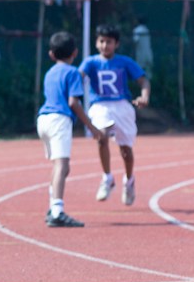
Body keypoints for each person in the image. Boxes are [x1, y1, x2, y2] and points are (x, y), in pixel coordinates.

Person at [82, 25, 150, 206]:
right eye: (102, 41)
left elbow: (143, 81)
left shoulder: (125, 62)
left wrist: (144, 96)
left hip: (122, 106)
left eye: (109, 42)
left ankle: (129, 181)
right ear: (96, 43)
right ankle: (107, 177)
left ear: (116, 44)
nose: (105, 45)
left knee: (125, 150)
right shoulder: (90, 63)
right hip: (100, 105)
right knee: (101, 137)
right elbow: (77, 76)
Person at [38, 31, 95, 228]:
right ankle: (57, 211)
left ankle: (52, 205)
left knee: (60, 166)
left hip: (43, 120)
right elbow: (73, 102)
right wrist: (92, 128)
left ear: (51, 54)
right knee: (62, 165)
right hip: (59, 120)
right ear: (75, 52)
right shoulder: (72, 73)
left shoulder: (49, 73)